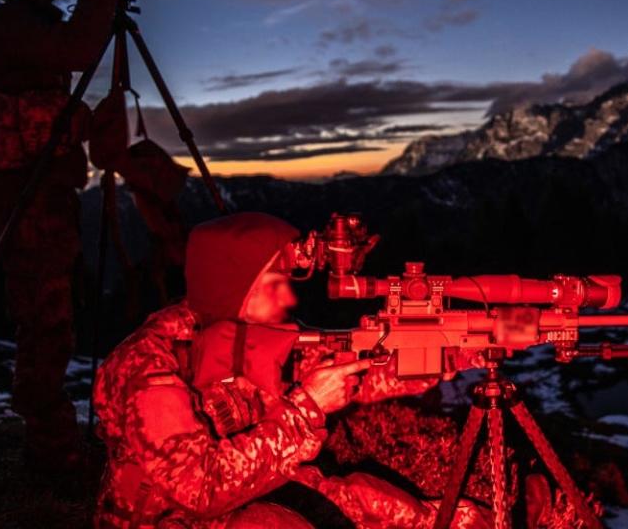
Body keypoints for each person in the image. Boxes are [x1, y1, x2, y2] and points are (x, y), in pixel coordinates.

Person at [93, 212, 489, 528]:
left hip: (250, 491)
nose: (289, 296)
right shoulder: (150, 365)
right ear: (233, 287)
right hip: (170, 518)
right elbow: (199, 488)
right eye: (273, 284)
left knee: (384, 509)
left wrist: (451, 355)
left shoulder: (248, 334)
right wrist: (306, 408)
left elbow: (349, 372)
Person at [0, 0, 125, 472]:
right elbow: (81, 51)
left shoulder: (32, 23)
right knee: (45, 322)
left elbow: (52, 97)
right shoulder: (8, 24)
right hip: (25, 195)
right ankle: (52, 452)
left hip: (45, 190)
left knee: (56, 317)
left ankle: (54, 442)